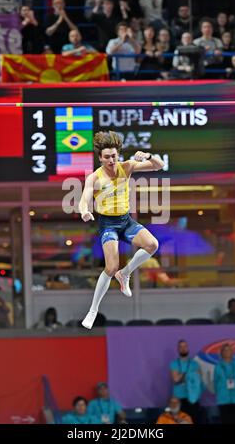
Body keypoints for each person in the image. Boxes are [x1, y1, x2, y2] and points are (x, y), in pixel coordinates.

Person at [79, 131, 164, 329]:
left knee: (152, 244)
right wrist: (84, 211)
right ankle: (93, 310)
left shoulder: (127, 166)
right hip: (107, 223)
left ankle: (125, 274)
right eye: (107, 157)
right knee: (110, 267)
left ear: (118, 154)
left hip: (125, 221)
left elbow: (160, 166)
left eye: (114, 156)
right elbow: (84, 200)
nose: (111, 160)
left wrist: (149, 156)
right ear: (100, 158)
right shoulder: (94, 178)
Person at [170, 339, 204, 423]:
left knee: (194, 421)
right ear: (178, 349)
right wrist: (189, 375)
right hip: (180, 399)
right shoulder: (174, 364)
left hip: (193, 399)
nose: (183, 348)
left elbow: (199, 381)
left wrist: (182, 376)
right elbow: (175, 380)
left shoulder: (195, 364)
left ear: (188, 348)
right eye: (180, 346)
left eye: (185, 346)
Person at [213, 343, 235, 424]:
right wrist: (220, 392)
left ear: (232, 352)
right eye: (225, 350)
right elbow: (215, 383)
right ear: (221, 353)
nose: (227, 351)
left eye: (229, 349)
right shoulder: (218, 367)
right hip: (223, 400)